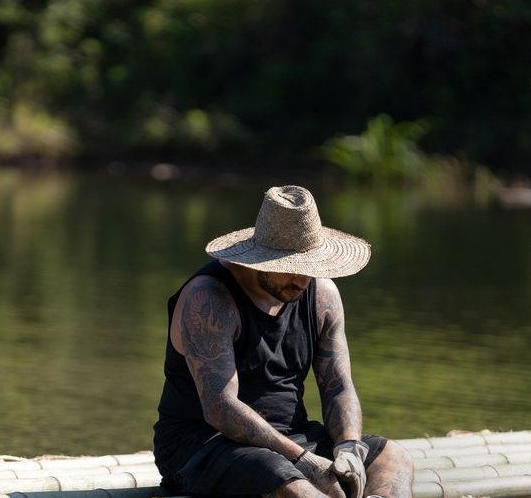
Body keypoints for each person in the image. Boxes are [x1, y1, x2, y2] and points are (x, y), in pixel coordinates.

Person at [153, 185, 414, 498]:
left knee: (393, 458)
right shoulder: (209, 298)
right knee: (292, 486)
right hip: (206, 446)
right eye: (291, 268)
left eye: (310, 267)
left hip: (292, 438)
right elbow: (220, 408)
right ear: (261, 260)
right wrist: (302, 460)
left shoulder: (321, 295)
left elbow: (338, 385)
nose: (302, 280)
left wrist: (348, 447)